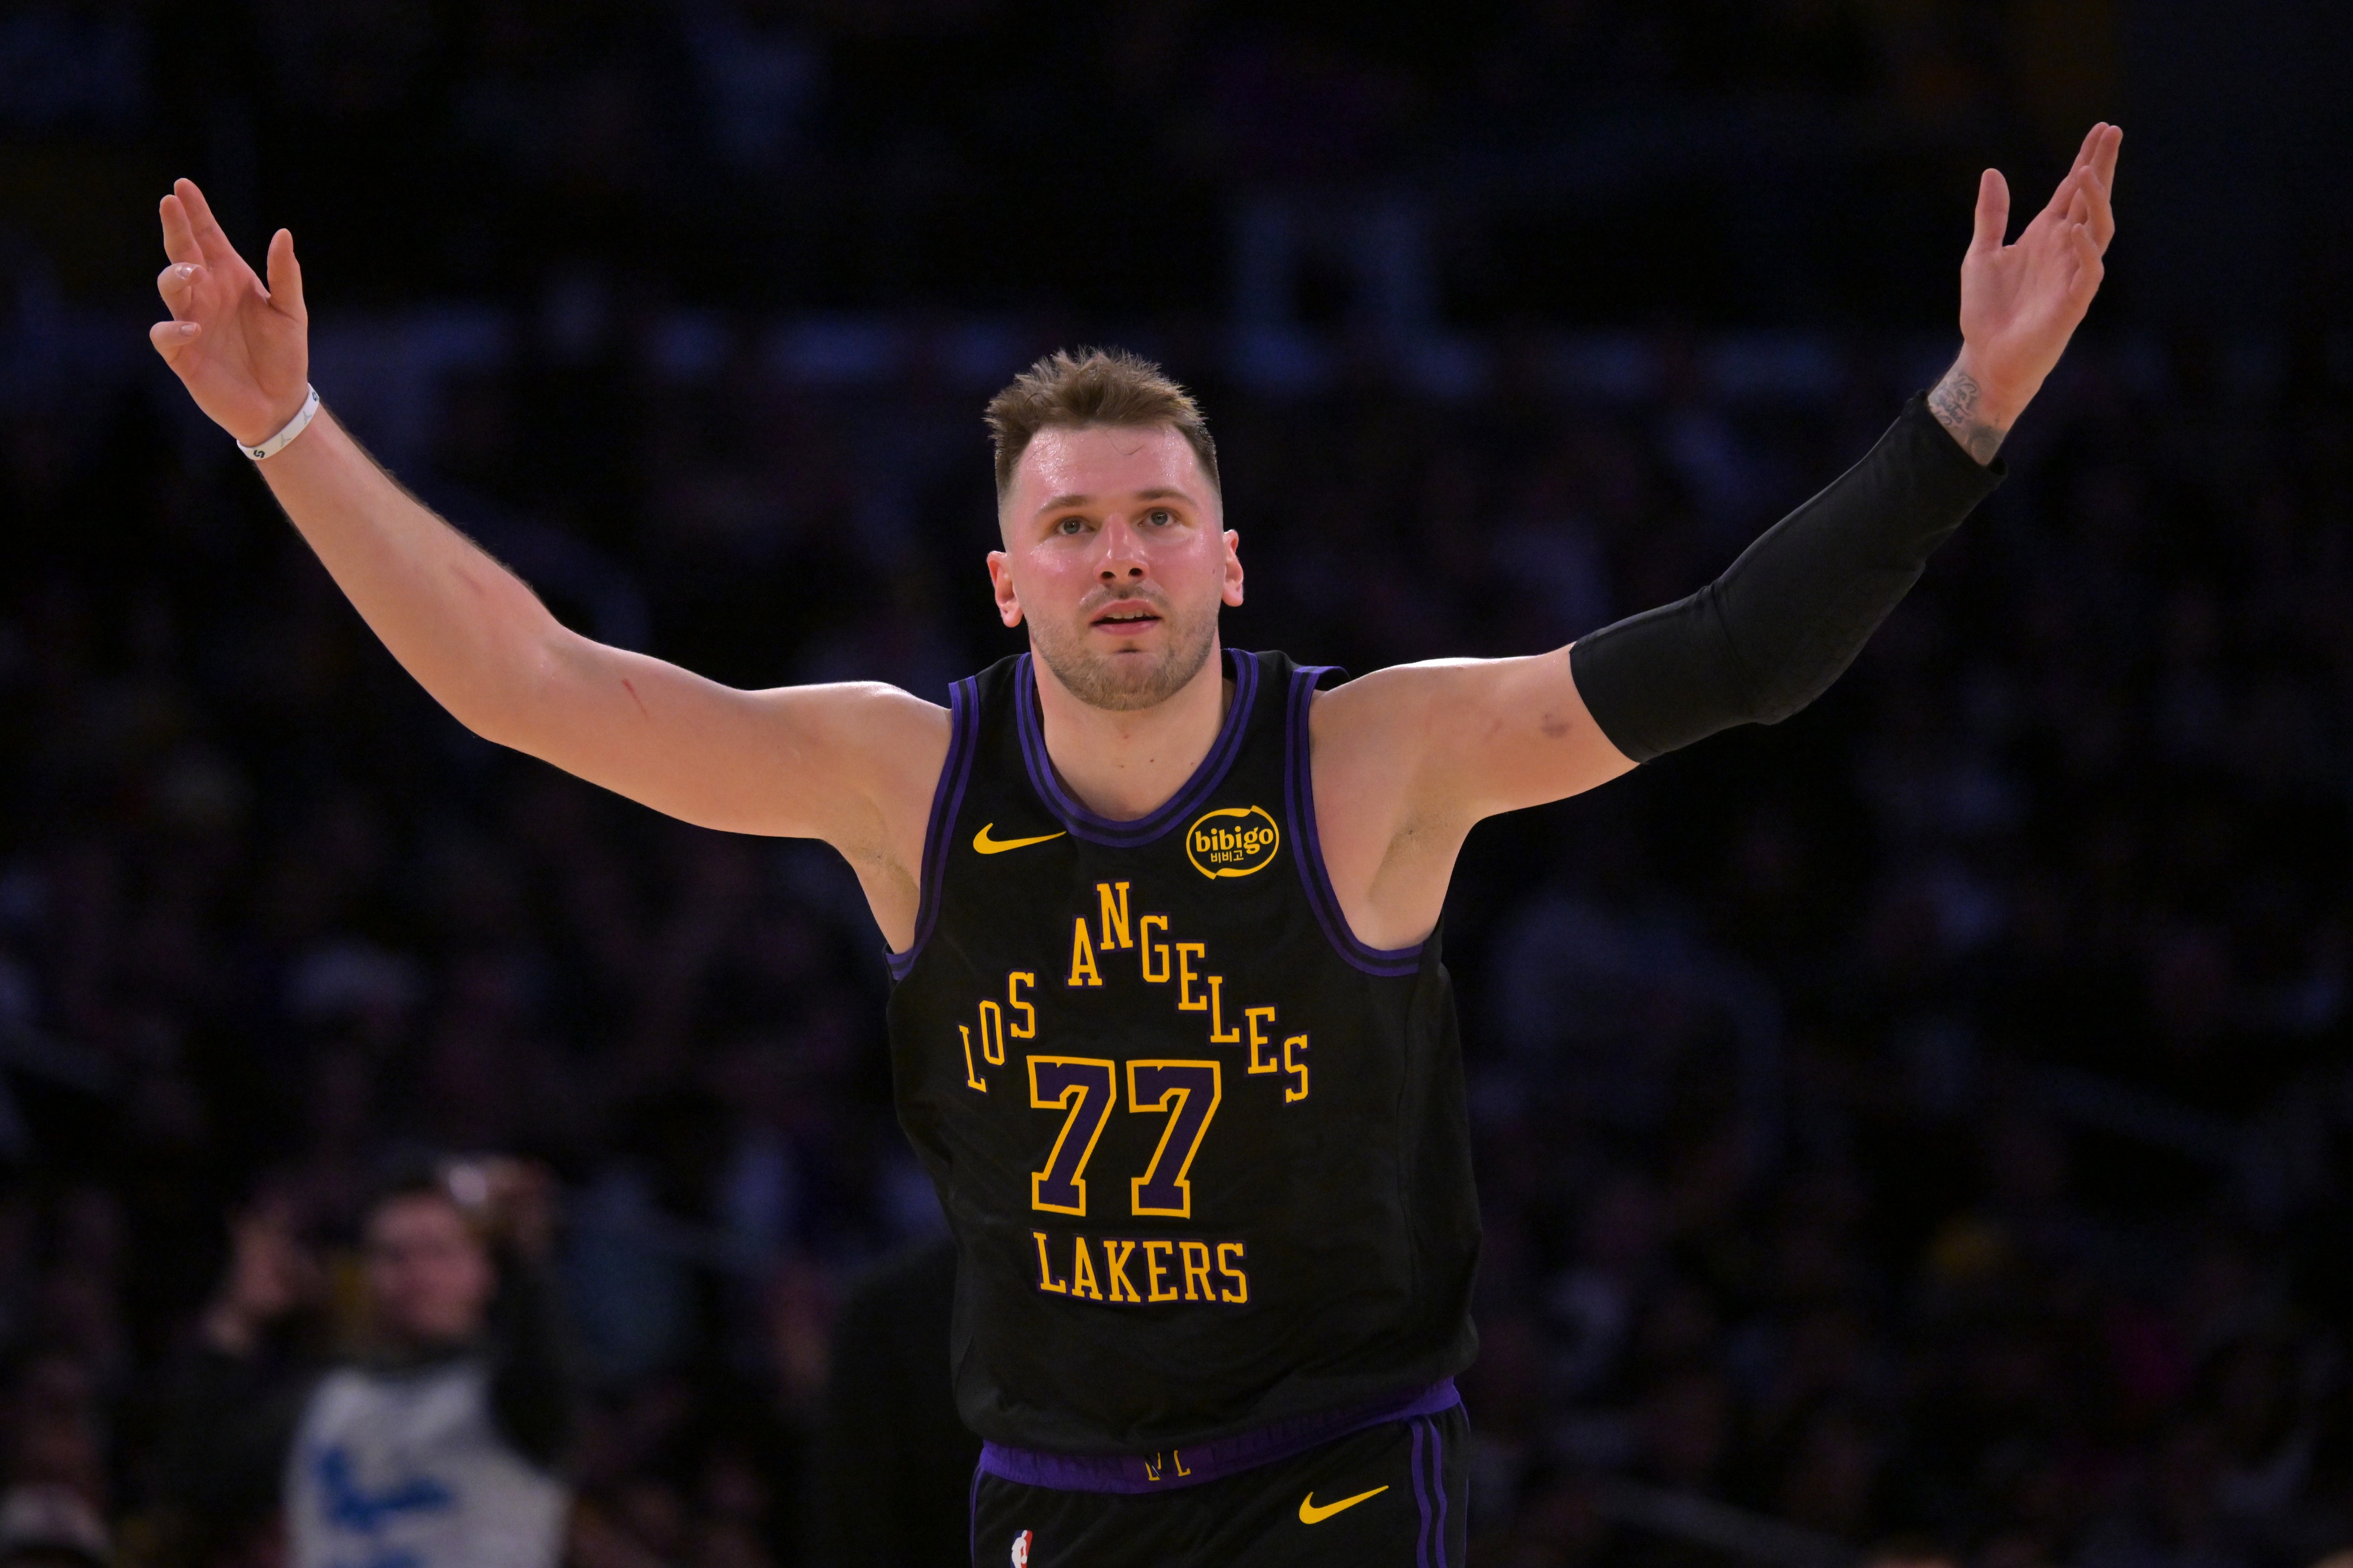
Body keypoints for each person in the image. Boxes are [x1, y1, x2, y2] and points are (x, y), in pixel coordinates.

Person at [145, 122, 2120, 1566]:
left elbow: (1735, 657)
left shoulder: (1371, 755)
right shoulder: (900, 776)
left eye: (1158, 517)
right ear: (1006, 576)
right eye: (1075, 526)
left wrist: (1965, 406)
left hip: (1335, 1467)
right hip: (1056, 1490)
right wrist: (289, 431)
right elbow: (534, 686)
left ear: (1228, 555)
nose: (1119, 558)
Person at [157, 1161, 575, 1568]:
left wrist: (526, 1257)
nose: (417, 1273)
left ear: (485, 1268)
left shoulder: (508, 1393)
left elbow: (546, 1382)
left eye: (438, 1251)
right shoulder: (328, 1398)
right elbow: (196, 1481)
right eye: (393, 1254)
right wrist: (237, 1319)